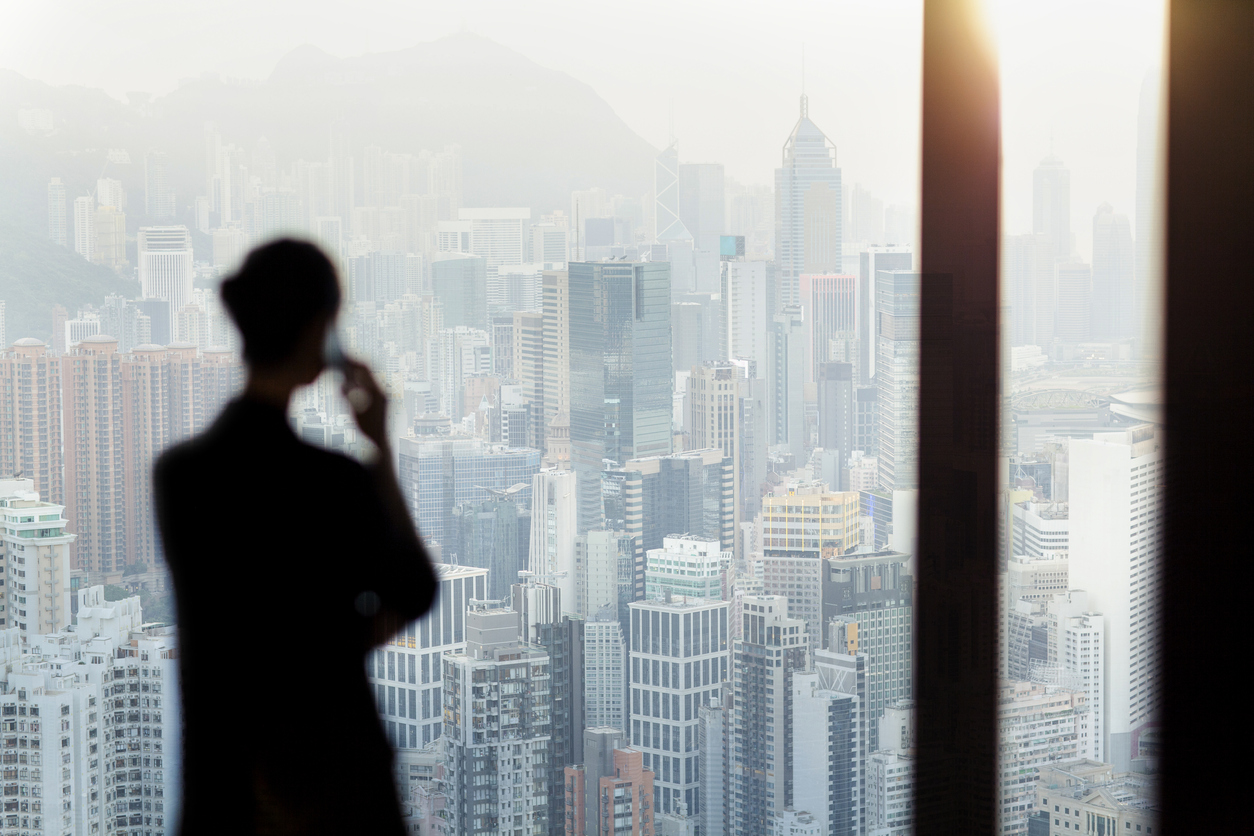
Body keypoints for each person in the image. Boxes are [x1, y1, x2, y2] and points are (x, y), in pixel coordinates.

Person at [154, 239, 437, 836]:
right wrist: (380, 447)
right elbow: (415, 588)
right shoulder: (335, 483)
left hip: (225, 795)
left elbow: (236, 625)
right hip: (337, 791)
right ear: (319, 334)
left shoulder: (180, 477)